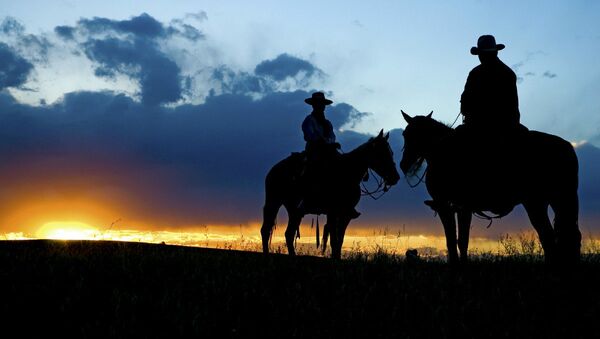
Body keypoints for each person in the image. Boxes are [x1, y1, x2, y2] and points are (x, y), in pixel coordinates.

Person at [298, 92, 360, 218]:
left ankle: (345, 202)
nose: (321, 106)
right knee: (313, 169)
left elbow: (332, 136)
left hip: (328, 150)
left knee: (343, 168)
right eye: (318, 104)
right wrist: (321, 141)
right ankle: (305, 200)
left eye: (322, 104)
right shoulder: (308, 120)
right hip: (314, 150)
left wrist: (330, 143)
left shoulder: (328, 123)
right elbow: (309, 135)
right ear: (314, 106)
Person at [460, 35, 522, 130]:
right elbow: (513, 108)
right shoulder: (508, 73)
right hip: (508, 126)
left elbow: (465, 104)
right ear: (496, 52)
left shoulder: (475, 73)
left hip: (479, 126)